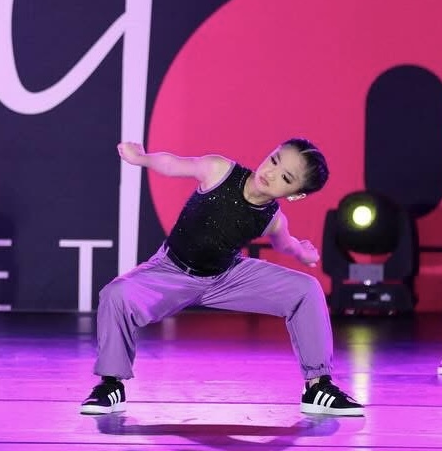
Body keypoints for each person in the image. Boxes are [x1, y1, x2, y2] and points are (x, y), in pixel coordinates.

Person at [80, 138, 365, 417]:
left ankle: (318, 387)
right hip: (172, 271)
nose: (270, 173)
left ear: (295, 194)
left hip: (227, 277)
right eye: (274, 160)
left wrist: (302, 253)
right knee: (115, 295)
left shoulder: (273, 218)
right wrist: (141, 158)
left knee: (306, 289)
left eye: (285, 177)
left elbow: (285, 243)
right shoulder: (219, 170)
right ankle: (111, 384)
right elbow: (173, 164)